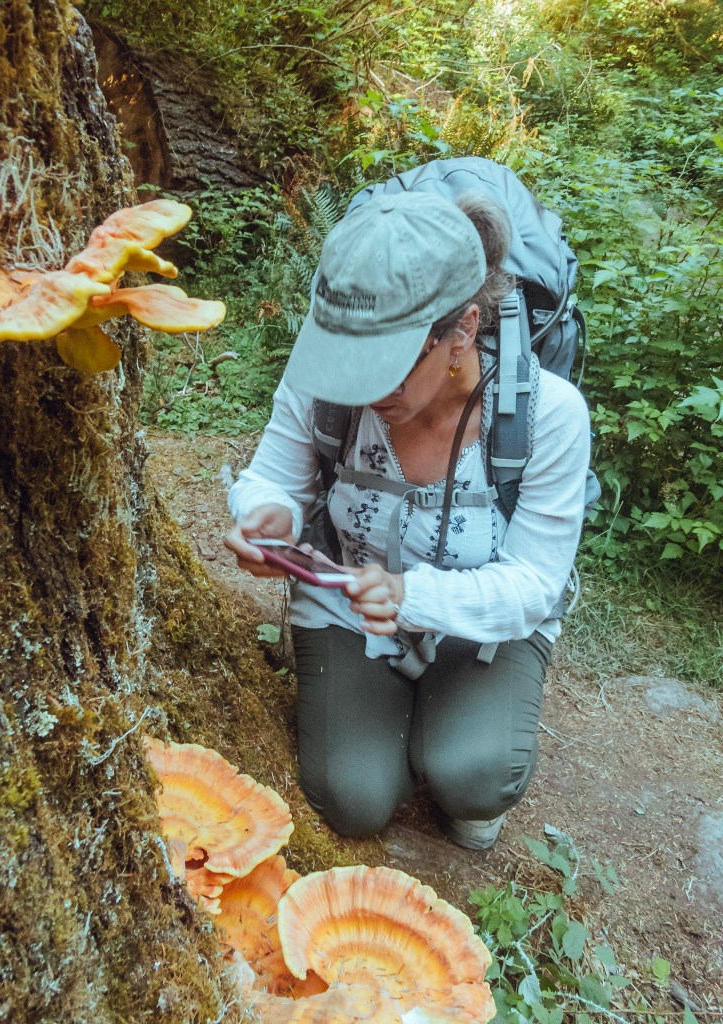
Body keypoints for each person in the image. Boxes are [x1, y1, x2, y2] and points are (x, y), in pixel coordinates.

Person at [224, 190, 591, 850]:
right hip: (349, 605)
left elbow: (534, 582)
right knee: (355, 799)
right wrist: (266, 515)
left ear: (462, 331)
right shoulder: (326, 379)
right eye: (351, 365)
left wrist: (411, 596)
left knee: (473, 778)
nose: (364, 391)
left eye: (388, 370)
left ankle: (459, 734)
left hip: (481, 626)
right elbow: (272, 476)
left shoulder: (549, 417)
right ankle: (406, 719)